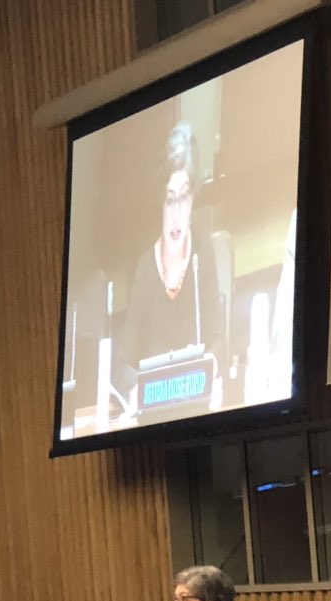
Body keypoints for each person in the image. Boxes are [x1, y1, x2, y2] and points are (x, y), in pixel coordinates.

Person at [115, 122, 223, 407]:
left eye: (184, 198)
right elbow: (122, 362)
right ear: (159, 202)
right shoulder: (145, 266)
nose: (176, 213)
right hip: (153, 409)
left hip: (197, 406)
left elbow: (218, 341)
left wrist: (208, 370)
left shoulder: (203, 252)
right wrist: (137, 388)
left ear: (194, 198)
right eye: (169, 199)